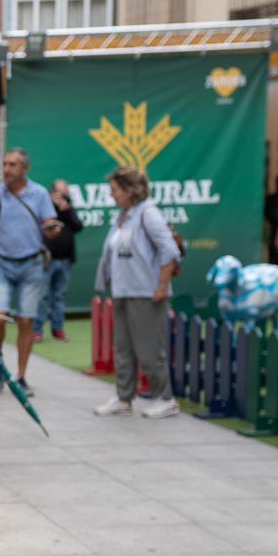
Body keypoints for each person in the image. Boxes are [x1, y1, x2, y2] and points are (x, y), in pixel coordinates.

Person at [93, 165, 180, 419]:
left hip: (146, 292)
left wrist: (161, 286)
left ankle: (166, 398)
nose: (112, 195)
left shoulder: (148, 214)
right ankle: (123, 397)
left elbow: (169, 251)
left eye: (115, 190)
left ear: (130, 190)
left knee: (149, 349)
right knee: (123, 347)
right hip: (123, 291)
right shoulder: (124, 215)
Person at [0, 148, 57, 395]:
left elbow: (49, 221)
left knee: (26, 320)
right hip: (2, 264)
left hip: (31, 264)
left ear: (25, 168)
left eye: (13, 165)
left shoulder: (38, 193)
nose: (7, 169)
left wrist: (51, 229)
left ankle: (21, 375)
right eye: (5, 164)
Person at [37, 178, 84, 342]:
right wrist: (52, 206)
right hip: (47, 260)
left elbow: (78, 226)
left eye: (66, 193)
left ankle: (57, 329)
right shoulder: (45, 207)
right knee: (42, 296)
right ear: (52, 193)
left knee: (58, 296)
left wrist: (66, 209)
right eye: (60, 193)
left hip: (65, 260)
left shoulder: (68, 209)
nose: (63, 196)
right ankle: (37, 330)